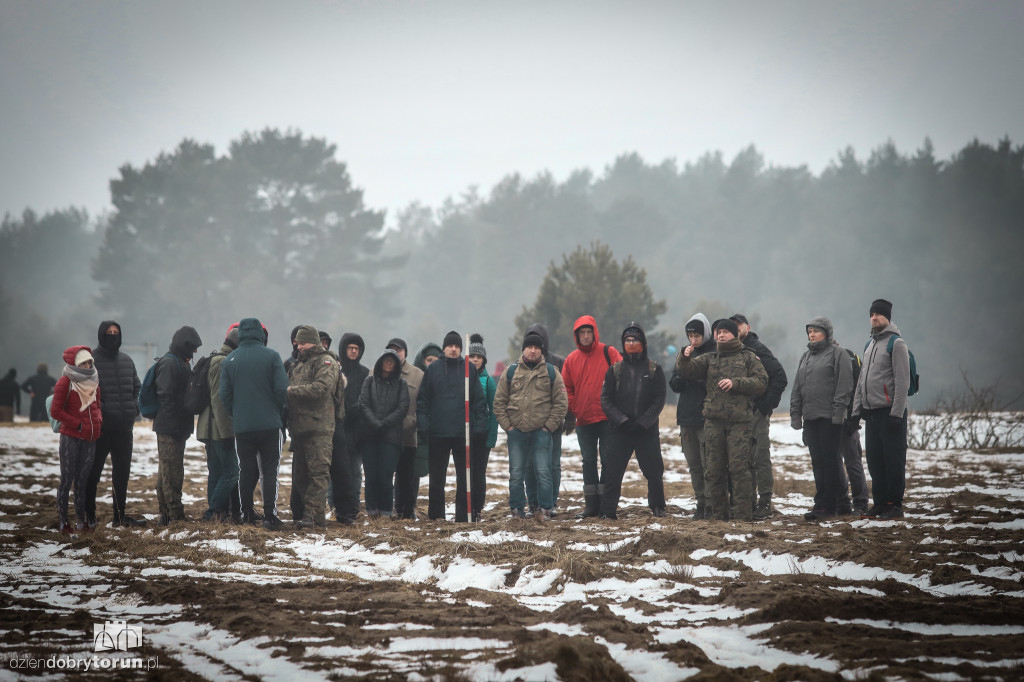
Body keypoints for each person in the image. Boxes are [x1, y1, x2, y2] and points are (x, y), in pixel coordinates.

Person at [676, 318, 768, 521]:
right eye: (719, 332)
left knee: (739, 469)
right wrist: (684, 357)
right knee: (714, 469)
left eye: (726, 332)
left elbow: (761, 382)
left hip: (739, 423)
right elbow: (688, 371)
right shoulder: (710, 358)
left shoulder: (748, 357)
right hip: (713, 422)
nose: (721, 335)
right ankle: (718, 516)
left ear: (735, 334)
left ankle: (744, 515)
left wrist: (736, 383)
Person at [493, 328, 568, 521]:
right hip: (516, 433)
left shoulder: (552, 373)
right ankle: (517, 510)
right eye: (529, 347)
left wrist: (548, 427)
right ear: (523, 349)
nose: (532, 351)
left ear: (542, 350)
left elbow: (561, 403)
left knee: (544, 472)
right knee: (516, 473)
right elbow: (499, 402)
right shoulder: (510, 372)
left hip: (541, 433)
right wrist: (508, 427)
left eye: (536, 347)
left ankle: (544, 509)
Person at [220, 318, 288, 530]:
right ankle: (269, 516)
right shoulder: (272, 356)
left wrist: (238, 414)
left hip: (243, 427)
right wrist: (276, 411)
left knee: (246, 471)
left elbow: (224, 396)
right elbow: (281, 390)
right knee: (269, 471)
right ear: (261, 333)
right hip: (269, 426)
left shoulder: (230, 360)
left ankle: (247, 514)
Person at [598, 323, 666, 519]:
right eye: (627, 340)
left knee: (654, 472)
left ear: (643, 343)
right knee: (613, 472)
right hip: (620, 430)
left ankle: (658, 507)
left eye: (635, 339)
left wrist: (644, 422)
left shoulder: (655, 369)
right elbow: (606, 400)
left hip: (647, 431)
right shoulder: (615, 370)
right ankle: (608, 511)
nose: (631, 343)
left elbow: (659, 400)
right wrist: (622, 421)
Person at [417, 331, 487, 523]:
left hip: (463, 434)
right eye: (450, 346)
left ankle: (463, 516)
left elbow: (479, 401)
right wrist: (423, 425)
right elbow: (423, 401)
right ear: (444, 348)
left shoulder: (469, 370)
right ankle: (436, 515)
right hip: (437, 433)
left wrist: (480, 428)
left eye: (457, 346)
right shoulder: (433, 370)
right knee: (437, 479)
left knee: (465, 479)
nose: (454, 349)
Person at [851, 298, 912, 520]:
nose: (874, 318)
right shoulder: (869, 345)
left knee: (893, 461)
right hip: (872, 414)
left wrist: (897, 413)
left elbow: (902, 381)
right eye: (871, 314)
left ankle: (893, 505)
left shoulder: (896, 344)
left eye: (878, 314)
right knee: (875, 462)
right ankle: (878, 504)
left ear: (887, 317)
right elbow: (861, 381)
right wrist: (856, 410)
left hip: (890, 414)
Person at [790, 317, 854, 520]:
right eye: (809, 331)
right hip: (810, 418)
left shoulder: (838, 354)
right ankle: (821, 503)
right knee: (817, 462)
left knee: (831, 461)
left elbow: (844, 386)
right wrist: (795, 413)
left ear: (826, 333)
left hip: (830, 418)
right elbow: (797, 387)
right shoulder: (806, 356)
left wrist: (838, 413)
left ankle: (831, 505)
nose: (811, 334)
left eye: (816, 331)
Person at [561, 315, 622, 518]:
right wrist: (575, 407)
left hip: (606, 418)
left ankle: (605, 504)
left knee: (607, 459)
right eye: (582, 333)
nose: (586, 336)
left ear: (594, 332)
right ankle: (591, 505)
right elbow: (566, 387)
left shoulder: (609, 352)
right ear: (577, 335)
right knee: (587, 461)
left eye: (589, 332)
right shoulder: (571, 360)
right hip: (583, 419)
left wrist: (615, 405)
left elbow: (622, 376)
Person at [86, 320, 145, 528]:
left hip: (124, 429)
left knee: (122, 475)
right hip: (101, 430)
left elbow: (138, 389)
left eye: (116, 332)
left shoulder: (127, 361)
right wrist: (103, 411)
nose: (113, 335)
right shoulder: (91, 362)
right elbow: (88, 393)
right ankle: (89, 517)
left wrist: (133, 409)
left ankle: (119, 516)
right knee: (93, 474)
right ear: (102, 335)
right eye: (109, 332)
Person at [730, 314, 788, 519]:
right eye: (732, 326)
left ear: (748, 327)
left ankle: (765, 502)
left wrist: (765, 406)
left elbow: (779, 376)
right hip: (737, 414)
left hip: (756, 412)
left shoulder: (757, 349)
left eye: (739, 326)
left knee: (760, 457)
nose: (736, 329)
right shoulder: (729, 350)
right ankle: (748, 502)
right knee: (742, 459)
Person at [287, 325, 341, 529]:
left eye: (302, 343)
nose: (299, 346)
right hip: (300, 428)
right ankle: (311, 517)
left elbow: (322, 388)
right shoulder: (298, 365)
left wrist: (292, 391)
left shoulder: (326, 362)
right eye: (297, 343)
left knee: (318, 474)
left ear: (313, 342)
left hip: (319, 428)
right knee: (300, 476)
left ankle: (312, 517)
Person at [50, 346, 103, 534]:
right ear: (75, 363)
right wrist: (77, 424)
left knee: (82, 481)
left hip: (90, 438)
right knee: (67, 480)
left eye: (90, 362)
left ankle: (82, 521)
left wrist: (98, 421)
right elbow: (55, 411)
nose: (88, 365)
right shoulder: (66, 382)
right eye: (84, 363)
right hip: (70, 438)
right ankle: (64, 522)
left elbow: (97, 406)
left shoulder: (94, 380)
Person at [153, 326, 202, 526]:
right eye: (193, 347)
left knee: (169, 469)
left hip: (176, 426)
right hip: (169, 427)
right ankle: (174, 514)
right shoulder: (170, 363)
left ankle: (166, 513)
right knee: (171, 471)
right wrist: (174, 424)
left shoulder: (181, 362)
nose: (195, 352)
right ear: (185, 345)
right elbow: (165, 396)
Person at [668, 313, 716, 520]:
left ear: (705, 334)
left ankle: (713, 504)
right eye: (690, 336)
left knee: (710, 464)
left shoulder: (715, 353)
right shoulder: (683, 354)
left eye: (697, 335)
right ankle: (700, 503)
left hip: (707, 417)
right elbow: (674, 384)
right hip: (686, 416)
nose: (693, 340)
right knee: (694, 465)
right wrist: (683, 368)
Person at [196, 324, 242, 523]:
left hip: (210, 425)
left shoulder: (218, 359)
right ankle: (213, 511)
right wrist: (227, 433)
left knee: (215, 471)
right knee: (232, 471)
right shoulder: (223, 362)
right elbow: (219, 400)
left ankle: (216, 513)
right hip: (218, 428)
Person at [357, 348, 410, 518]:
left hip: (391, 437)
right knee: (371, 476)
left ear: (396, 365)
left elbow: (402, 408)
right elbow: (363, 403)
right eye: (386, 359)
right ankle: (372, 512)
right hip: (369, 436)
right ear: (380, 362)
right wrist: (375, 423)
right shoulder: (369, 381)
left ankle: (386, 512)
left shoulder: (401, 384)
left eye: (392, 360)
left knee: (386, 477)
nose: (388, 363)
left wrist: (384, 424)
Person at [522, 323, 568, 515]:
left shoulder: (558, 363)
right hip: (528, 426)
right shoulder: (520, 365)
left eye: (537, 341)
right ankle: (533, 503)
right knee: (529, 466)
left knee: (553, 465)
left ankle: (551, 502)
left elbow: (566, 393)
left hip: (553, 425)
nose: (534, 348)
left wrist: (567, 418)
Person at [387, 338, 425, 520]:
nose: (395, 353)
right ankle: (388, 509)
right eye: (391, 349)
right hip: (385, 435)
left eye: (399, 350)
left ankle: (407, 510)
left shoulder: (417, 375)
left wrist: (412, 423)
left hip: (409, 434)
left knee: (407, 476)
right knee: (386, 474)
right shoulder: (378, 371)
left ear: (405, 353)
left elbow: (422, 404)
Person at [338, 332, 370, 521]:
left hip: (358, 431)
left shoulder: (365, 373)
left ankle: (354, 506)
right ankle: (336, 506)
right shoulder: (336, 371)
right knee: (338, 471)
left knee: (356, 471)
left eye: (357, 348)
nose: (353, 351)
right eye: (350, 348)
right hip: (339, 429)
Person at [467, 334, 498, 522]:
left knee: (479, 474)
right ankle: (466, 507)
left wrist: (491, 437)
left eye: (478, 357)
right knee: (466, 473)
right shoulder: (460, 379)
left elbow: (494, 411)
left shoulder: (489, 382)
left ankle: (477, 508)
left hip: (482, 437)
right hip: (464, 435)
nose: (475, 360)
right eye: (472, 356)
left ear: (484, 360)